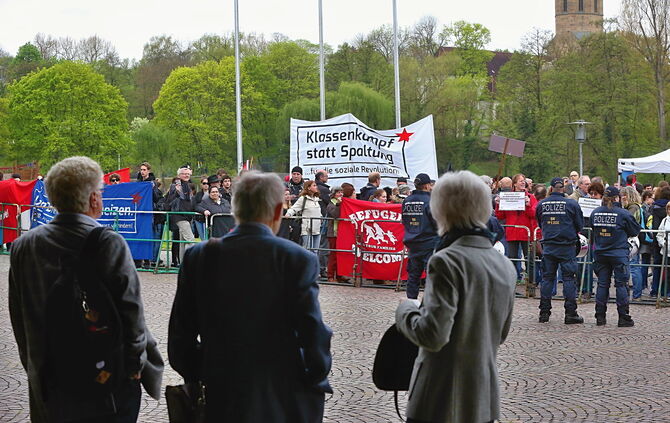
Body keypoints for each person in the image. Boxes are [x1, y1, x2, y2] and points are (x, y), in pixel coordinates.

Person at [8, 156, 163, 423]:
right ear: (93, 199)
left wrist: (34, 367)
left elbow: (19, 317)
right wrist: (135, 366)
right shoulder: (109, 243)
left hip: (49, 379)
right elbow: (132, 314)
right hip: (104, 382)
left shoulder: (25, 246)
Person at [168, 171, 332, 422]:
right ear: (278, 211)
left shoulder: (199, 257)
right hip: (280, 392)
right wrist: (312, 377)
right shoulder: (297, 259)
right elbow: (313, 332)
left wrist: (205, 373)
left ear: (234, 208)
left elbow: (181, 336)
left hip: (220, 390)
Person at [395, 170, 515, 423]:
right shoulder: (505, 265)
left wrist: (406, 310)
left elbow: (432, 335)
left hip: (440, 397)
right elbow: (500, 334)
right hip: (483, 399)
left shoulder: (446, 261)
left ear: (440, 210)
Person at [536, 178, 584, 324]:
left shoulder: (542, 204)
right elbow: (579, 225)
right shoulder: (571, 204)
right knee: (569, 278)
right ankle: (570, 313)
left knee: (547, 278)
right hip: (566, 245)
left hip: (549, 245)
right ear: (563, 188)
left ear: (551, 188)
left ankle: (544, 313)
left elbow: (540, 222)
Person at [590, 187, 640, 327]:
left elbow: (593, 229)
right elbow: (635, 230)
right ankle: (623, 317)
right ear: (617, 198)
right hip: (618, 253)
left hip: (601, 252)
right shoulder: (623, 213)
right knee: (621, 285)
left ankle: (600, 316)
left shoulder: (595, 212)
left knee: (602, 284)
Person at [402, 173, 439, 299]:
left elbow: (404, 220)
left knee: (413, 276)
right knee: (431, 276)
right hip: (429, 242)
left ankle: (411, 302)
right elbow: (436, 222)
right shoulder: (431, 201)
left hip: (412, 242)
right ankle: (428, 305)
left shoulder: (406, 201)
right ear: (428, 185)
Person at [495, 173, 537, 284]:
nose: (523, 182)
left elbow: (534, 214)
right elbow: (500, 216)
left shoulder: (531, 197)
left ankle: (531, 283)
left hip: (526, 232)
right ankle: (513, 282)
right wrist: (498, 204)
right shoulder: (508, 196)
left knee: (530, 259)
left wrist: (528, 206)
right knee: (512, 258)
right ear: (514, 184)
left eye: (524, 180)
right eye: (520, 181)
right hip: (512, 232)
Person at [166, 165, 195, 266]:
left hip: (187, 216)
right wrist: (177, 192)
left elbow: (190, 200)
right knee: (190, 239)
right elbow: (169, 200)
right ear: (179, 175)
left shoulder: (188, 185)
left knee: (182, 242)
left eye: (188, 174)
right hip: (179, 215)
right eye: (184, 173)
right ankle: (192, 262)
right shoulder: (175, 186)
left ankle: (183, 264)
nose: (186, 175)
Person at [285, 180, 323, 251]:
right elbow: (294, 208)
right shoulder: (303, 199)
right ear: (308, 188)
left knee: (315, 251)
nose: (316, 187)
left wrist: (320, 217)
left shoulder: (316, 199)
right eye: (314, 185)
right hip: (307, 229)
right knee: (308, 250)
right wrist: (288, 214)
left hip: (317, 229)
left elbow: (317, 211)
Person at [650, 186, 670, 297]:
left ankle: (655, 290)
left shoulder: (655, 207)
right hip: (665, 242)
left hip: (658, 242)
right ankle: (665, 291)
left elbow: (655, 227)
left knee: (658, 267)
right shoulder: (664, 210)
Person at [326, 185, 346, 282]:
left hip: (341, 233)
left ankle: (339, 275)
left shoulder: (344, 203)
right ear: (333, 195)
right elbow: (335, 215)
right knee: (333, 255)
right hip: (333, 233)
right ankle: (330, 275)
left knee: (341, 255)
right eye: (338, 192)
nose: (340, 194)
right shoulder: (331, 204)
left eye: (341, 192)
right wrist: (338, 205)